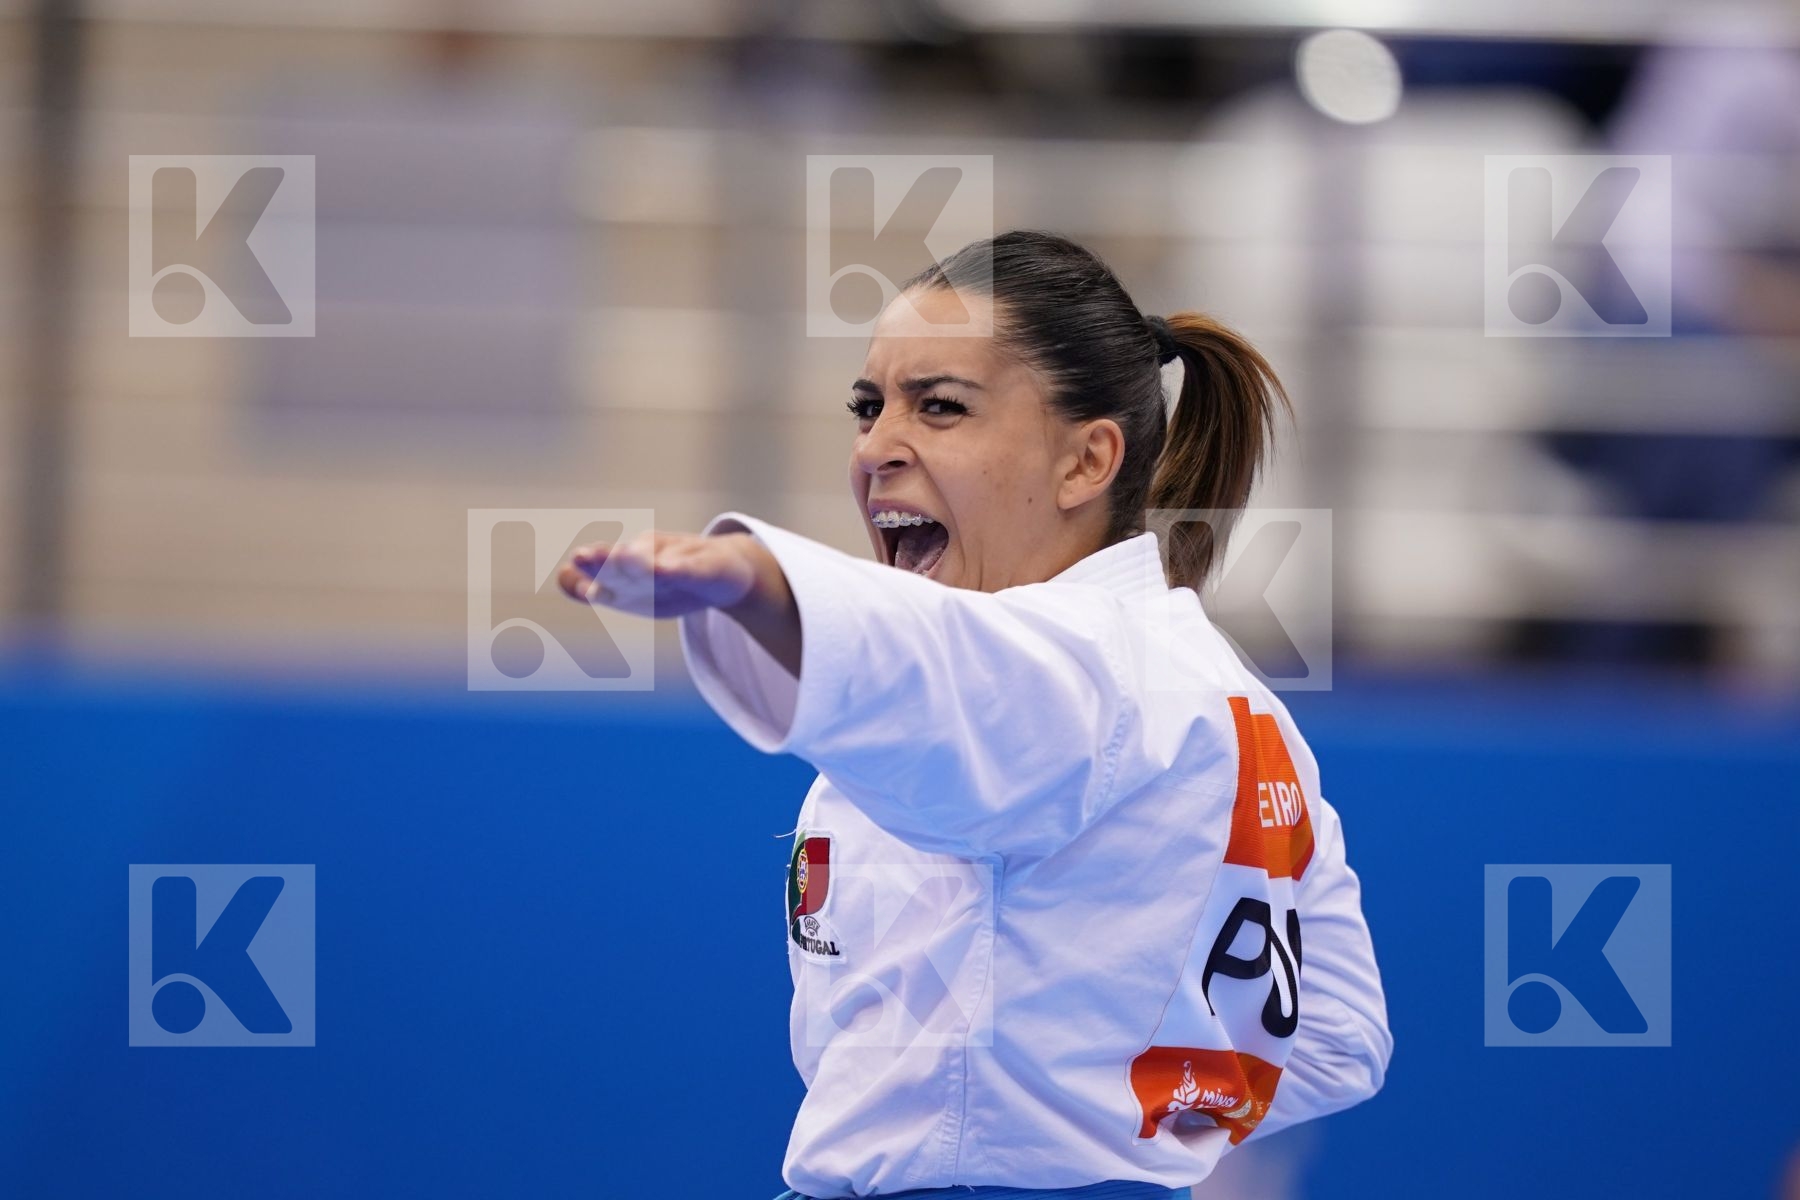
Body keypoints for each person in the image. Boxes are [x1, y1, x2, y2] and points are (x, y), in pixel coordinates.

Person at [558, 230, 1391, 1199]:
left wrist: (756, 580)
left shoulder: (1072, 673)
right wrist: (1124, 1131)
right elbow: (1335, 1035)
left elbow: (930, 670)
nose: (876, 448)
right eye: (868, 407)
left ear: (1087, 462)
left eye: (940, 408)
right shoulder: (1227, 699)